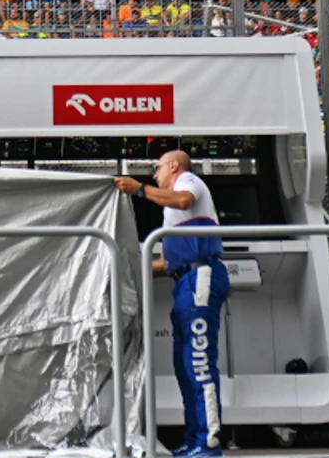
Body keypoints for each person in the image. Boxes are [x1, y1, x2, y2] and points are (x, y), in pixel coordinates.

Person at [117, 151, 227, 457]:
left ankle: (208, 444)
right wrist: (126, 268)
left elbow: (182, 200)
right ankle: (194, 440)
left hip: (199, 277)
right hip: (185, 281)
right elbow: (165, 263)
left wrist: (139, 189)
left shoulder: (187, 183)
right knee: (185, 366)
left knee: (199, 364)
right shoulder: (173, 214)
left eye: (158, 168)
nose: (154, 175)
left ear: (174, 166)